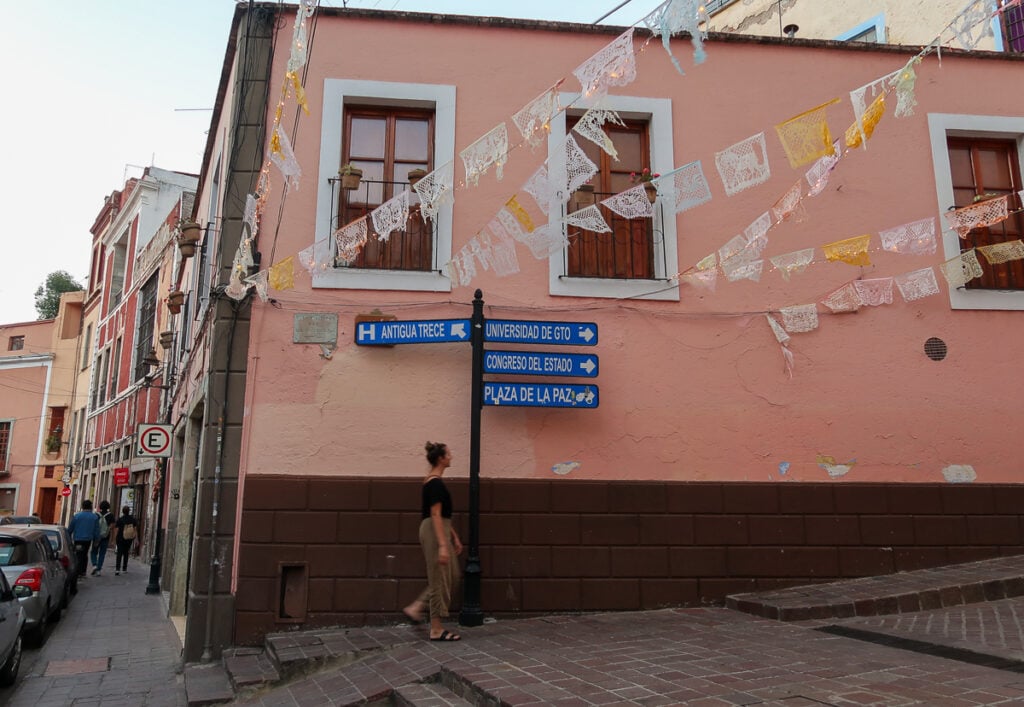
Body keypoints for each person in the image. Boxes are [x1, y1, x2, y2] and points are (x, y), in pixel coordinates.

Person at [403, 441, 463, 641]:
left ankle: (417, 607)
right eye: (448, 454)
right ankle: (436, 628)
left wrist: (453, 536)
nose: (451, 456)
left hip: (440, 528)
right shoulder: (435, 483)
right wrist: (443, 545)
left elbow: (442, 515)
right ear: (440, 458)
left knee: (452, 575)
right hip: (433, 530)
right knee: (439, 577)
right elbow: (435, 514)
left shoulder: (433, 481)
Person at [67, 499, 100, 580]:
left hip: (78, 539)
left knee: (78, 555)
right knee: (84, 554)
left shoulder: (77, 516)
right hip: (88, 540)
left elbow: (70, 528)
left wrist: (68, 537)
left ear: (82, 506)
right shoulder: (94, 517)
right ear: (91, 507)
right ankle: (83, 572)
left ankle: (77, 571)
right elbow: (96, 530)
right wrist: (96, 540)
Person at [90, 500, 115, 576]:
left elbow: (93, 525)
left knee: (94, 551)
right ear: (108, 507)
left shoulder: (96, 515)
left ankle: (94, 564)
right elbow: (112, 526)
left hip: (96, 537)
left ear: (100, 507)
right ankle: (99, 569)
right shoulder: (110, 515)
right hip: (105, 537)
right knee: (102, 553)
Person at [113, 506, 138, 576]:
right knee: (126, 553)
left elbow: (117, 530)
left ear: (123, 511)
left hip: (120, 538)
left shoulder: (120, 519)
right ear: (129, 511)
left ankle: (117, 569)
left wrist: (114, 539)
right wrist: (136, 539)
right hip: (129, 538)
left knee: (119, 553)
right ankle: (124, 568)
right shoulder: (133, 519)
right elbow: (135, 530)